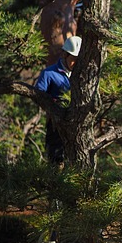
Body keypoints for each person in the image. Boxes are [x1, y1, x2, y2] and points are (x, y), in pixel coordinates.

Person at [35, 35, 82, 164]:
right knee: (56, 160)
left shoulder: (82, 75)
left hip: (77, 124)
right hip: (56, 124)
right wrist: (54, 104)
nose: (75, 63)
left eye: (78, 60)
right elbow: (38, 96)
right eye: (73, 59)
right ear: (64, 55)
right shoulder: (49, 74)